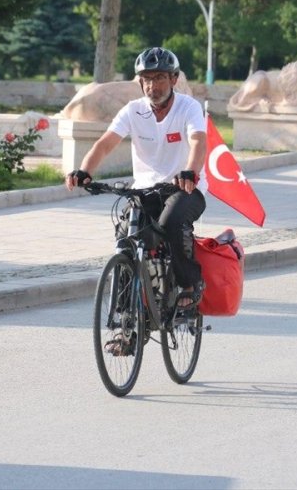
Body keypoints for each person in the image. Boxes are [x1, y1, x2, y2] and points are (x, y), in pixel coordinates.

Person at [65, 47, 207, 309]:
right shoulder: (133, 110)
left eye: (161, 78)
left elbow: (198, 141)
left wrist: (191, 171)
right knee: (126, 237)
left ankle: (189, 283)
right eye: (148, 79)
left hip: (184, 188)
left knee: (171, 222)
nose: (154, 85)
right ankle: (124, 322)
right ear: (140, 82)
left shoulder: (189, 107)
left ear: (174, 79)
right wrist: (84, 170)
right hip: (146, 190)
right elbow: (106, 143)